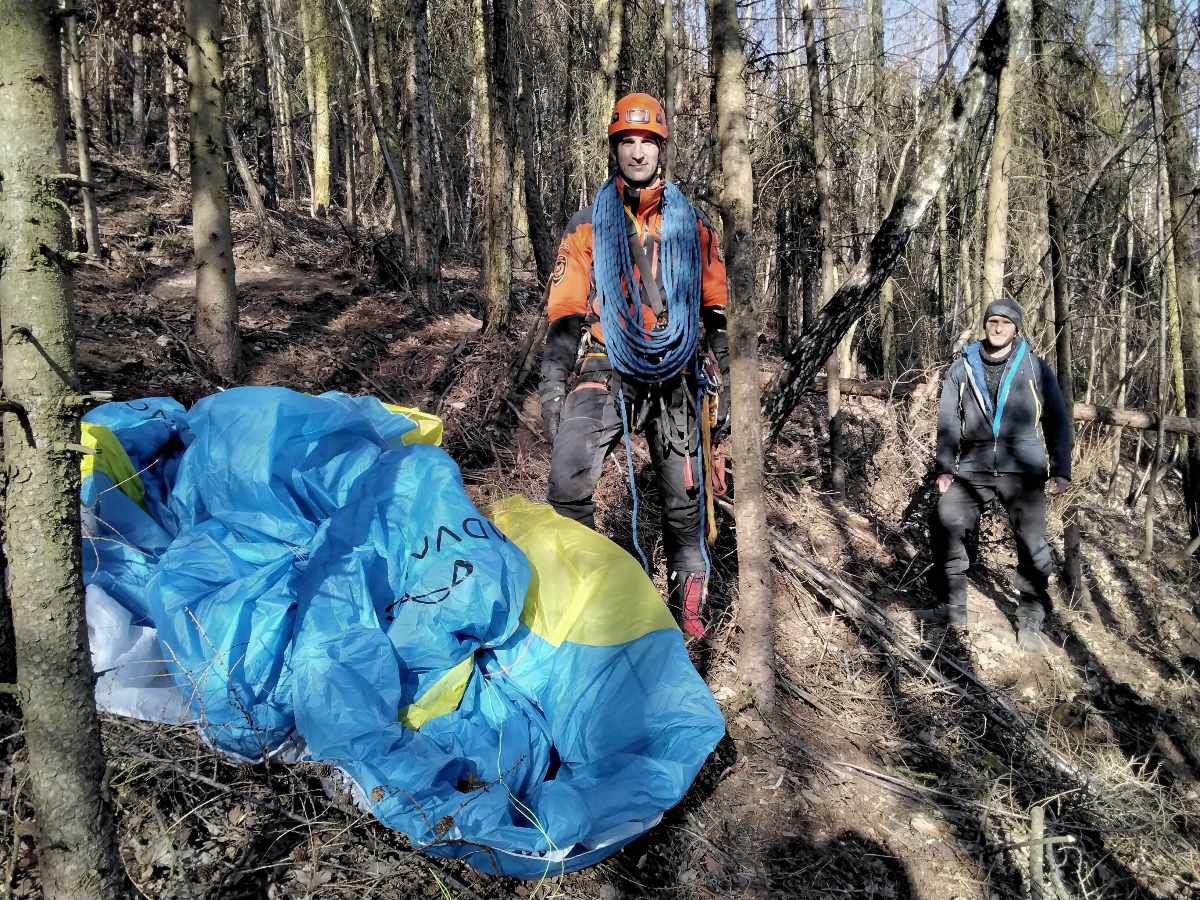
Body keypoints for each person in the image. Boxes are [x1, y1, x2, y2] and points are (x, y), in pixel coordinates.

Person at [537, 92, 729, 639]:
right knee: (567, 478)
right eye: (628, 141)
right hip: (606, 361)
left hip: (676, 371)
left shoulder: (694, 229)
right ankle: (592, 598)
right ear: (614, 148)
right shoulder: (587, 228)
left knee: (684, 498)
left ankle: (687, 603)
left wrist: (725, 386)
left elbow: (715, 310)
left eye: (648, 141)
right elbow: (566, 313)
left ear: (661, 148)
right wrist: (553, 387)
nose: (638, 151)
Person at [923, 298, 1072, 652]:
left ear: (1016, 328)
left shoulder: (1035, 367)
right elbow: (948, 421)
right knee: (946, 518)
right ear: (985, 325)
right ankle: (953, 606)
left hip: (1023, 467)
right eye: (992, 320)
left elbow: (1057, 419)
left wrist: (1061, 468)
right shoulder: (962, 368)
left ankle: (1031, 615)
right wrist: (945, 467)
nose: (998, 326)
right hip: (974, 465)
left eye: (1005, 322)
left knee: (1033, 543)